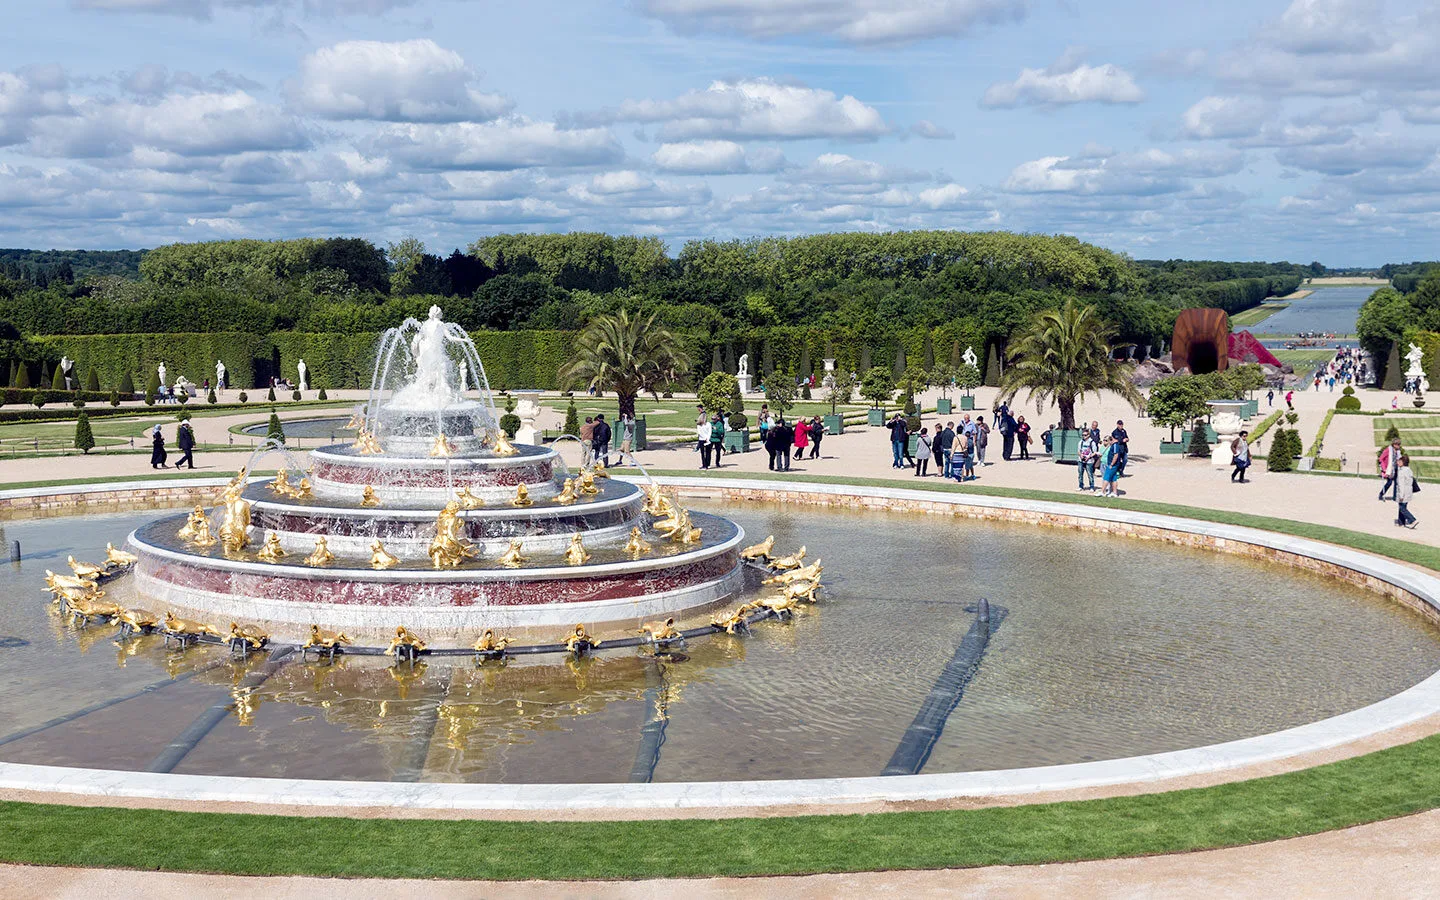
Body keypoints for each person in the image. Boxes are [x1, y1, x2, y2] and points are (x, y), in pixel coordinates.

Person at [1397, 455, 1418, 529]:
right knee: (1403, 506)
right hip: (1409, 491)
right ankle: (1401, 522)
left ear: (1403, 462)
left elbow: (1401, 484)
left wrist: (1401, 495)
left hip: (1404, 492)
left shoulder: (1402, 472)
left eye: (1399, 461)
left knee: (1402, 508)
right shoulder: (1409, 470)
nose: (1398, 463)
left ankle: (1412, 520)